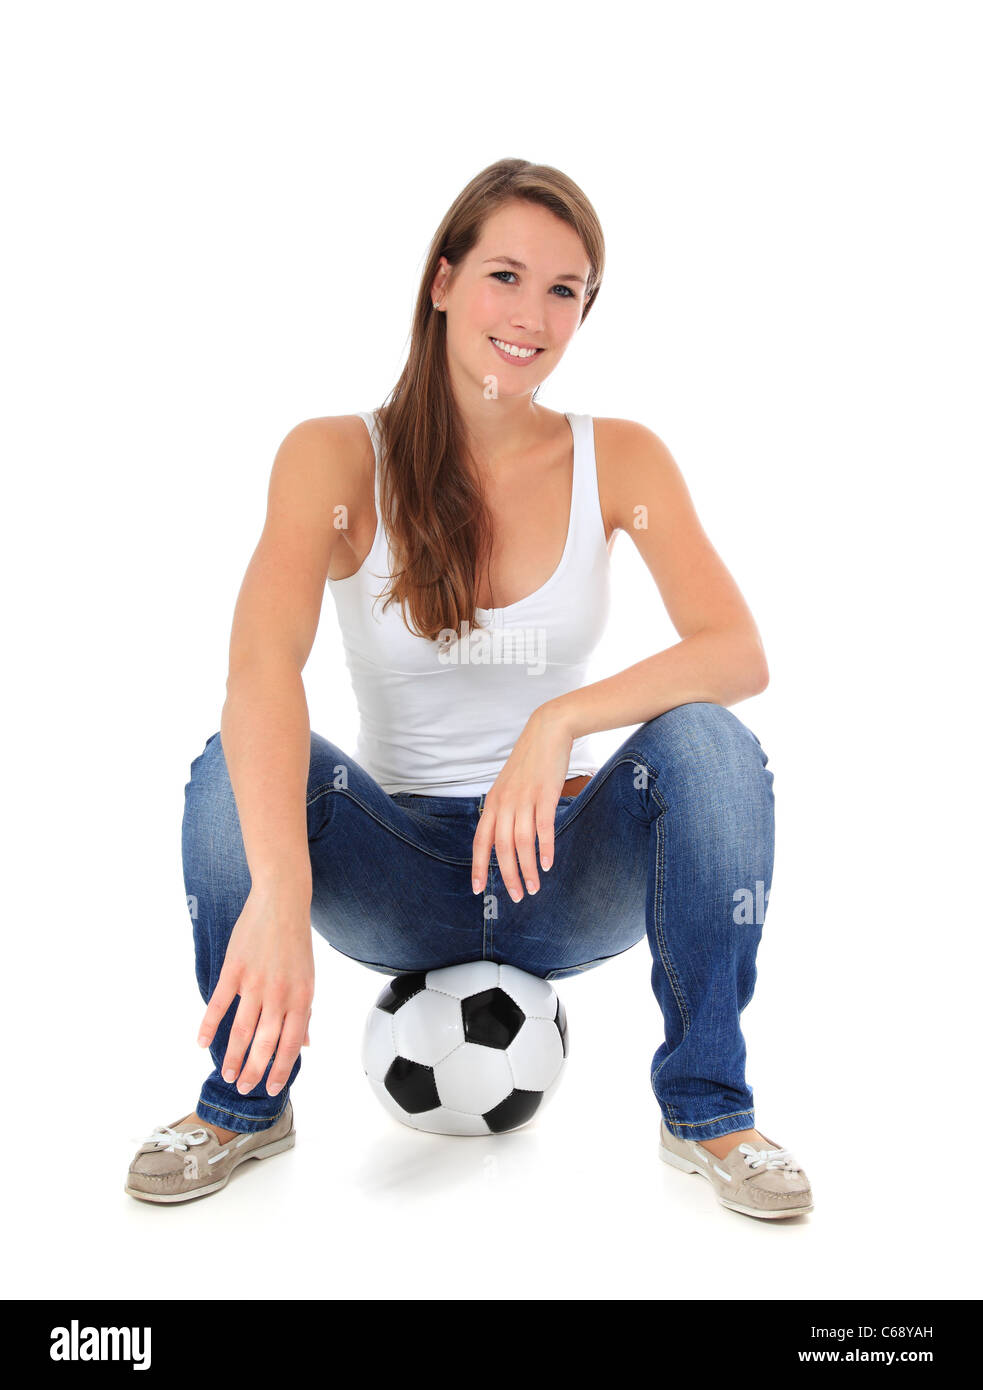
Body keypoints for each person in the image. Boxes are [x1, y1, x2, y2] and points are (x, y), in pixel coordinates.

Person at [126, 158, 812, 1219]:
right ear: (440, 280)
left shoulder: (620, 458)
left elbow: (735, 649)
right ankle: (243, 1103)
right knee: (235, 761)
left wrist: (560, 720)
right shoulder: (330, 455)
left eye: (563, 290)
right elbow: (260, 668)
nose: (530, 315)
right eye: (504, 274)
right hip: (393, 868)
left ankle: (709, 1108)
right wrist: (279, 886)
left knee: (711, 744)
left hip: (561, 866)